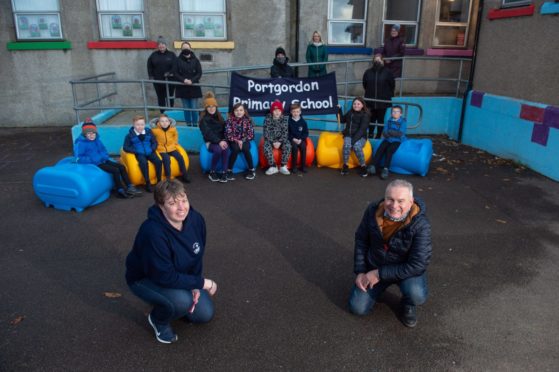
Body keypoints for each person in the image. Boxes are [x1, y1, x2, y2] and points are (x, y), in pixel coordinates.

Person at [125, 179, 218, 344]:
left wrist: (195, 284)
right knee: (183, 301)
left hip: (176, 274)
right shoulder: (152, 232)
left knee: (204, 315)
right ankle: (158, 319)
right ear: (161, 206)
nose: (182, 208)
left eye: (184, 200)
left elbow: (197, 254)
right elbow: (164, 276)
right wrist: (203, 283)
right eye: (173, 203)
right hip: (145, 278)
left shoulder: (196, 219)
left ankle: (170, 302)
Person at [348, 179, 432, 328]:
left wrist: (378, 274)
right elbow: (361, 239)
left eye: (401, 201)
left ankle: (408, 303)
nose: (394, 206)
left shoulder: (421, 225)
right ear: (384, 197)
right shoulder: (372, 211)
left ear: (411, 201)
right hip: (375, 264)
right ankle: (377, 290)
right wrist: (360, 271)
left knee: (417, 294)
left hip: (404, 270)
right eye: (390, 199)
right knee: (357, 308)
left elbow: (418, 264)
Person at [73, 118, 142, 199]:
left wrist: (104, 156)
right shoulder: (81, 143)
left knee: (121, 167)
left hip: (103, 160)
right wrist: (93, 159)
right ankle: (119, 189)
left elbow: (104, 150)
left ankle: (130, 186)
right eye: (89, 133)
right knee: (115, 170)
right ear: (85, 134)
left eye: (93, 133)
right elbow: (79, 158)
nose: (92, 135)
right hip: (95, 164)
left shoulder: (97, 140)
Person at [123, 115, 163, 192]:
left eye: (142, 124)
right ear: (133, 124)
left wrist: (152, 149)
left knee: (158, 161)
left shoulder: (149, 132)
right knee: (143, 163)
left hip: (150, 152)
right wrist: (135, 151)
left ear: (144, 124)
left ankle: (159, 181)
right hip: (139, 153)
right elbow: (125, 147)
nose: (140, 127)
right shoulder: (129, 135)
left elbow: (154, 142)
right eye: (137, 125)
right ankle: (147, 182)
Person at [369, 105, 407, 180]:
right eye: (393, 111)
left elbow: (400, 133)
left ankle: (386, 169)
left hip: (397, 140)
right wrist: (388, 133)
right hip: (388, 139)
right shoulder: (389, 120)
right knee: (381, 148)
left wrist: (390, 132)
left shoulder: (403, 121)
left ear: (401, 113)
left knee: (389, 150)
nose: (395, 113)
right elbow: (384, 131)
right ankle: (373, 166)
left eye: (397, 112)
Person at [151, 113, 191, 183]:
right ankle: (168, 179)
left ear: (169, 122)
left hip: (171, 148)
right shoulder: (155, 130)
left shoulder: (172, 129)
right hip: (161, 149)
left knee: (180, 157)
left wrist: (175, 142)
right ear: (159, 123)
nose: (164, 123)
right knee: (166, 159)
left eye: (166, 121)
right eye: (162, 121)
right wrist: (155, 146)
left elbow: (175, 135)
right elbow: (152, 139)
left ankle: (184, 175)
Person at [362, 54, 395, 139]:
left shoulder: (388, 72)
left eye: (379, 60)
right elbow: (365, 84)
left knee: (380, 120)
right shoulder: (368, 72)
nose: (377, 61)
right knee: (371, 119)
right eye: (376, 60)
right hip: (370, 101)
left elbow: (392, 85)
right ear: (373, 61)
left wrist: (387, 94)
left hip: (383, 101)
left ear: (382, 61)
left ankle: (379, 135)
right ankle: (370, 134)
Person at [199, 92, 229, 183]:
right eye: (209, 106)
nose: (211, 108)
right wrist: (219, 141)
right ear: (206, 108)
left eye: (213, 106)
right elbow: (208, 133)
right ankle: (212, 172)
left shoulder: (220, 117)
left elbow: (225, 129)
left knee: (225, 148)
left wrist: (224, 140)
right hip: (211, 142)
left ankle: (224, 172)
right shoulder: (203, 119)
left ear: (216, 107)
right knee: (218, 150)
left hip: (221, 140)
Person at [224, 103, 256, 181]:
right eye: (236, 110)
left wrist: (242, 140)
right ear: (233, 111)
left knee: (245, 149)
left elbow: (251, 134)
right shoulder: (229, 120)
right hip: (233, 140)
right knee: (235, 149)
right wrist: (237, 140)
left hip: (245, 140)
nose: (239, 112)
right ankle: (229, 170)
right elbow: (228, 134)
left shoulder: (248, 120)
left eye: (241, 110)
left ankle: (251, 170)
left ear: (244, 111)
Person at [173, 41, 202, 125]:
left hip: (194, 87)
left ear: (190, 48)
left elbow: (199, 73)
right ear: (181, 49)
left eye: (187, 48)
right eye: (184, 48)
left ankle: (195, 124)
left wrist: (192, 81)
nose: (186, 49)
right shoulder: (177, 60)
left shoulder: (196, 60)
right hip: (182, 87)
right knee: (186, 108)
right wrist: (183, 80)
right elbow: (175, 73)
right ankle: (188, 124)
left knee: (194, 107)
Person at [339, 97, 369, 177]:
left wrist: (352, 142)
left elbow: (361, 130)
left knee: (356, 146)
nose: (356, 105)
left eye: (358, 104)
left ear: (362, 105)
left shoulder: (365, 115)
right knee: (346, 145)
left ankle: (363, 167)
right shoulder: (350, 112)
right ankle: (345, 165)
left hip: (361, 136)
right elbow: (342, 120)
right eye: (354, 104)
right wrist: (339, 110)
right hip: (349, 134)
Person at [147, 36, 177, 113]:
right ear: (157, 45)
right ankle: (163, 114)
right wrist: (151, 76)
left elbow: (175, 66)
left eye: (163, 43)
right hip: (158, 81)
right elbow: (149, 66)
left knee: (170, 97)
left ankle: (170, 113)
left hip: (170, 80)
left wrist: (170, 72)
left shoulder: (171, 54)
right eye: (159, 44)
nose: (161, 45)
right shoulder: (153, 55)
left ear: (166, 45)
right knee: (161, 97)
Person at [263, 100, 291, 176]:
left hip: (281, 140)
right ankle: (273, 166)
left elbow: (285, 132)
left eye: (279, 110)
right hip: (271, 140)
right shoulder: (267, 119)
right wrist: (273, 142)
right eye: (275, 110)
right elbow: (266, 132)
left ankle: (283, 166)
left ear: (281, 111)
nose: (277, 112)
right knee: (266, 146)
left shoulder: (285, 119)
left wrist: (280, 142)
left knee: (288, 145)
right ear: (272, 111)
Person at [288, 102, 309, 174]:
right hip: (292, 139)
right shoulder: (289, 121)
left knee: (303, 147)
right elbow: (287, 133)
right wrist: (293, 139)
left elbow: (306, 133)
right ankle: (294, 167)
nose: (295, 113)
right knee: (294, 148)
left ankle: (303, 166)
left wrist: (301, 139)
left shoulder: (303, 122)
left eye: (297, 111)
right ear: (291, 112)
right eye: (294, 112)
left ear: (300, 112)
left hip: (300, 139)